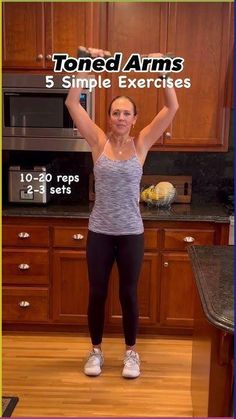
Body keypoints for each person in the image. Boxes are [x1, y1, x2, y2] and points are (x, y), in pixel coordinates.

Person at [65, 48, 179, 379]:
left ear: (134, 118)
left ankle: (131, 353)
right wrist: (83, 63)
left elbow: (172, 107)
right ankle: (96, 351)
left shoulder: (141, 143)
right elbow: (72, 103)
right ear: (109, 116)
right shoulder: (98, 141)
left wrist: (161, 72)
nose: (120, 118)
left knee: (128, 293)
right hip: (100, 231)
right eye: (115, 112)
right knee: (97, 292)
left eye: (126, 113)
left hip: (131, 232)